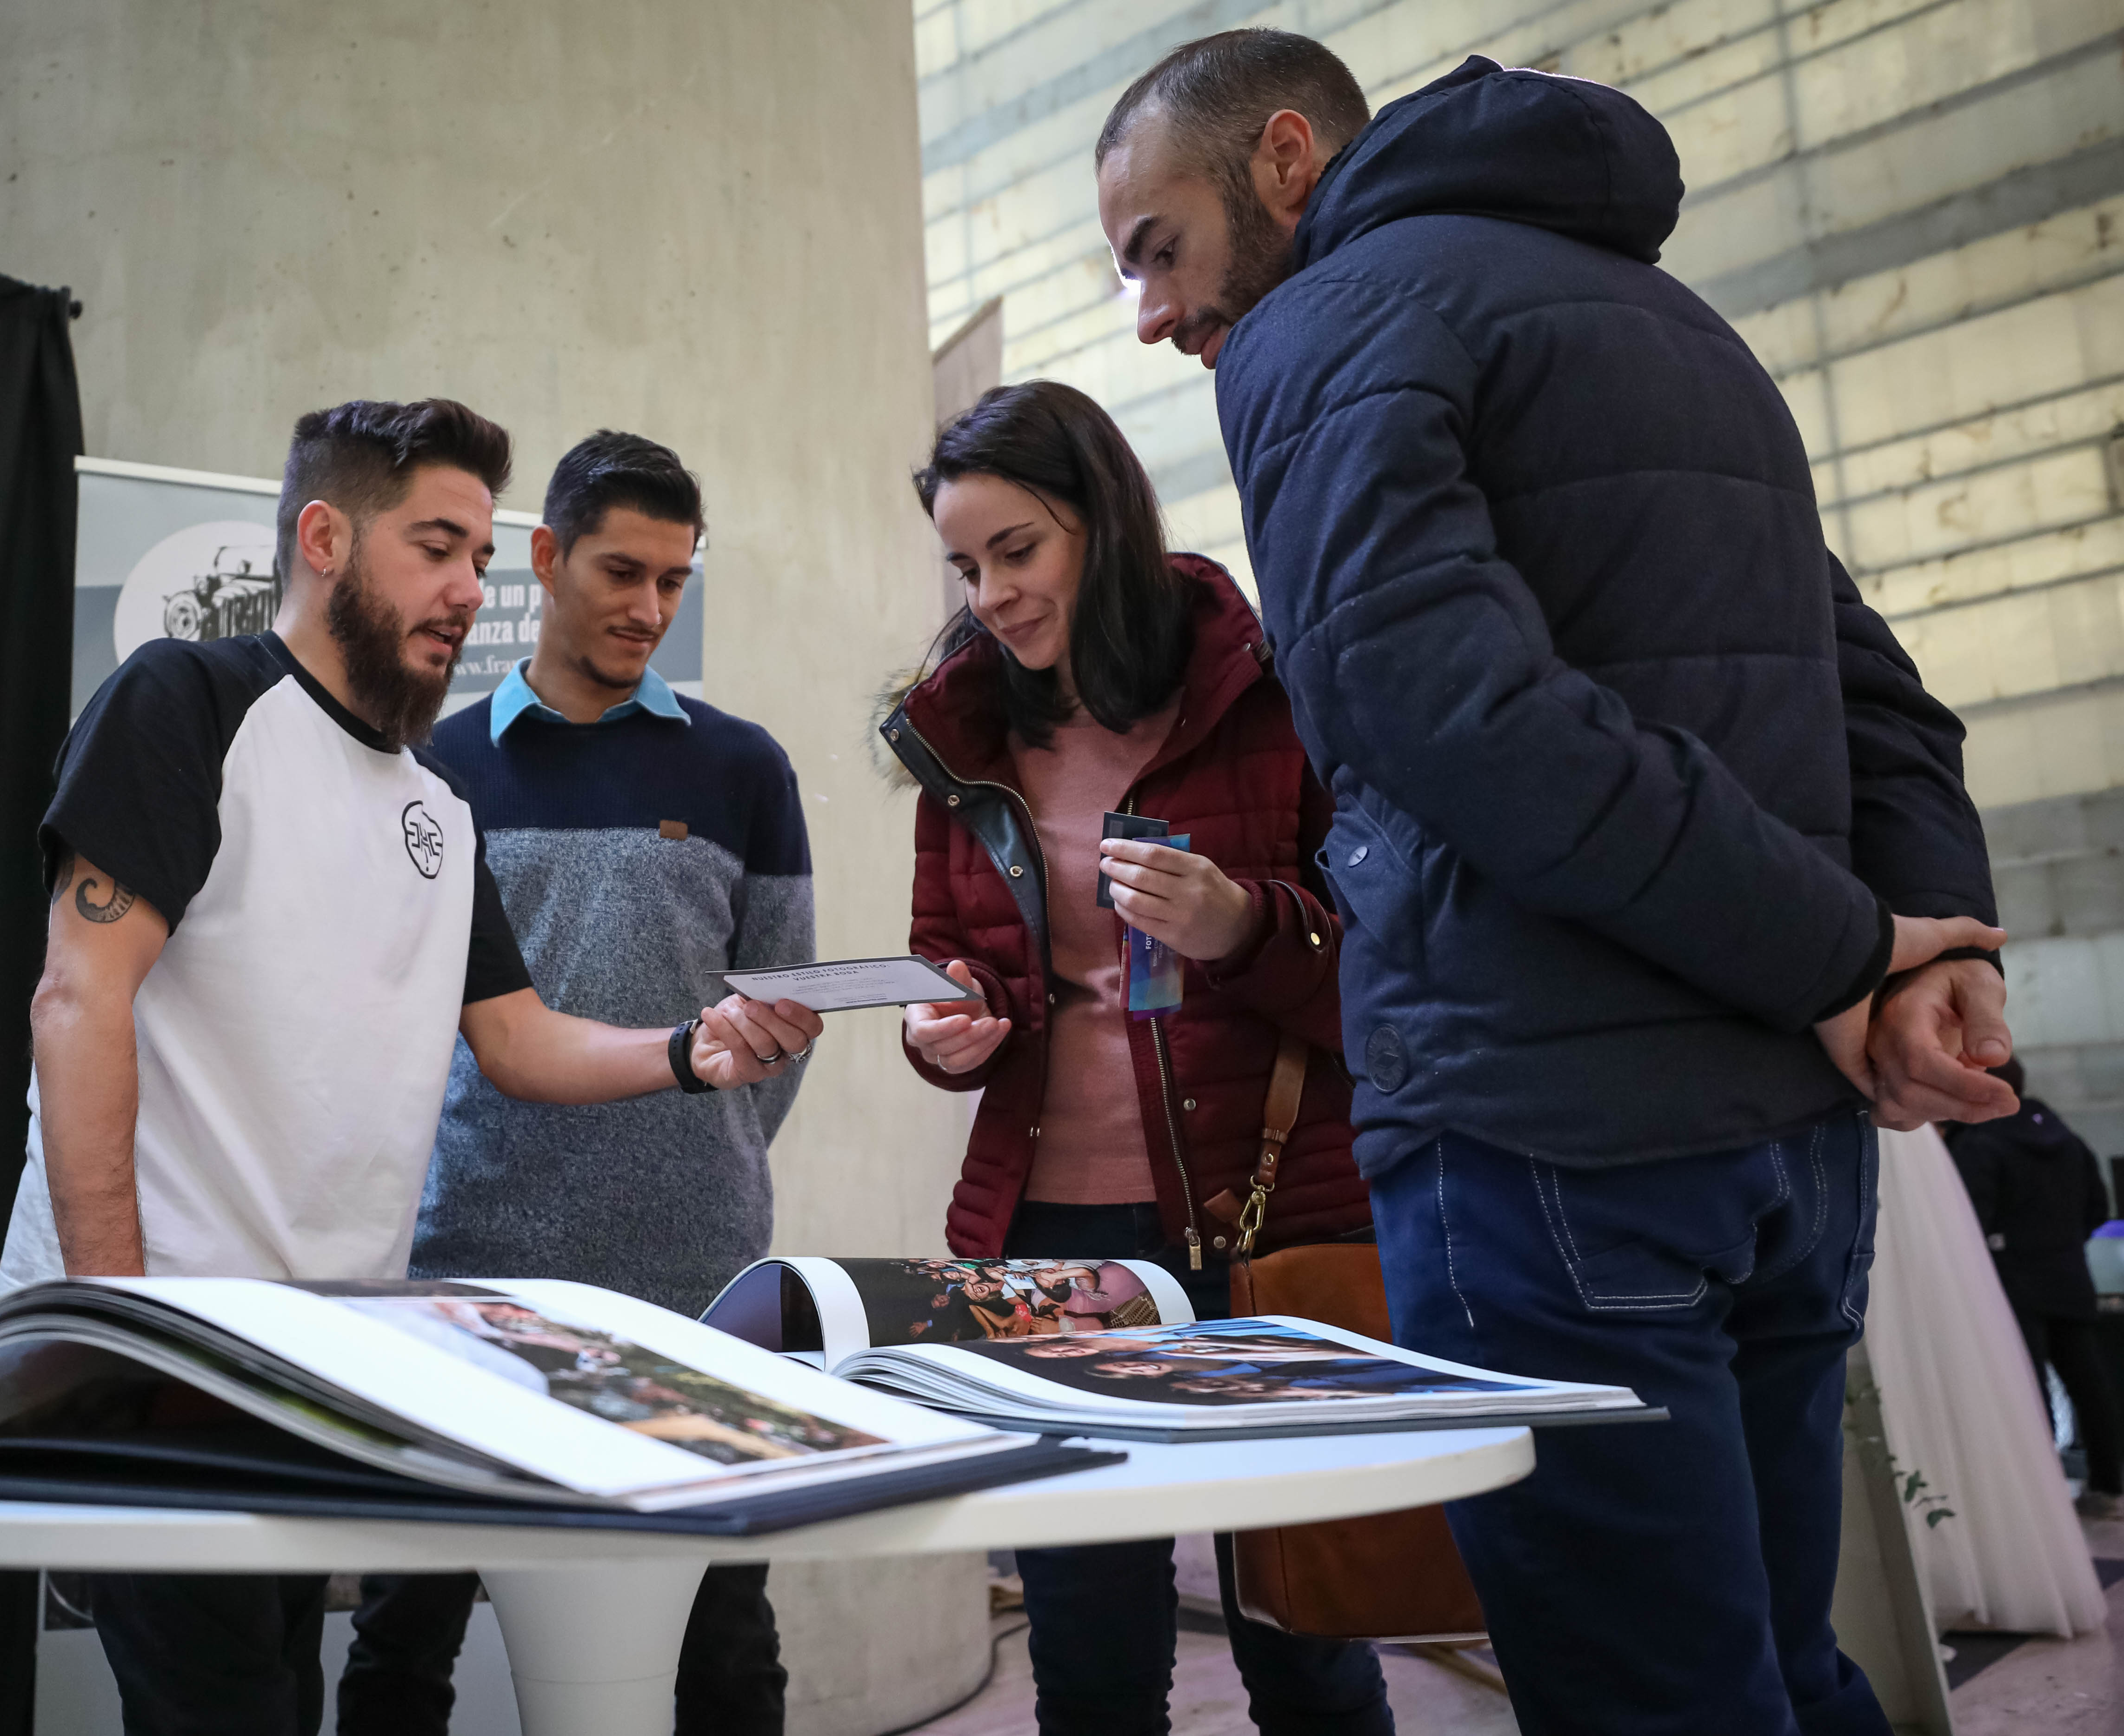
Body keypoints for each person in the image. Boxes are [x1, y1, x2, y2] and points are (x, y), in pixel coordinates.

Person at [1092, 30, 2017, 1735]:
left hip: (1548, 1137)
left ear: (1285, 161)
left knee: (1651, 1700)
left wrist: (1852, 952)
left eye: (1154, 246)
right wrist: (1913, 956)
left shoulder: (1324, 325)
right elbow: (1874, 689)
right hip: (1786, 1161)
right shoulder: (1680, 327)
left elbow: (1446, 712)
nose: (1149, 312)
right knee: (1778, 1670)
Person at [0, 397, 815, 1736]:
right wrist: (117, 1324)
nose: (462, 589)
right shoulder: (187, 702)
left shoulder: (436, 803)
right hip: (158, 1354)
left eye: (478, 557)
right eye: (436, 546)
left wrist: (691, 1049)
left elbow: (517, 1037)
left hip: (317, 1369)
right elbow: (77, 997)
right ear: (324, 537)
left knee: (282, 1697)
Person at [886, 379, 1391, 1736]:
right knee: (1088, 1640)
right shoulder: (970, 734)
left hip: (1267, 1211)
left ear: (1101, 522)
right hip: (1047, 1233)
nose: (990, 593)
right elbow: (957, 961)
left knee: (1306, 1630)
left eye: (1017, 550)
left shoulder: (1266, 696)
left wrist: (1240, 921)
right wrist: (952, 1025)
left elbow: (1389, 982)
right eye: (965, 563)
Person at [337, 431, 812, 1735]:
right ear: (543, 559)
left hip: (697, 1283)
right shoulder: (431, 764)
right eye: (621, 570)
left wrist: (702, 1161)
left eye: (675, 579)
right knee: (401, 1639)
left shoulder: (744, 768)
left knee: (723, 1645)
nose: (649, 608)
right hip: (466, 1270)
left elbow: (778, 1025)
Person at [1947, 1058, 2124, 1517]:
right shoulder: (2067, 1140)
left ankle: (2042, 1502)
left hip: (2007, 1282)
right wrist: (2060, 1246)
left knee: (2026, 1388)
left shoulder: (1977, 1143)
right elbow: (2095, 1208)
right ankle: (2109, 1488)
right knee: (2088, 1384)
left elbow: (1965, 1223)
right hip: (2067, 1275)